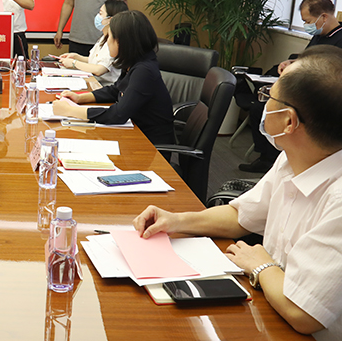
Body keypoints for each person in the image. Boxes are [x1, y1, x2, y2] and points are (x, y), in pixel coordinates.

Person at [133, 51, 342, 340]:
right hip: (270, 308)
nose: (264, 103)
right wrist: (175, 221)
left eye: (269, 96)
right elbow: (240, 216)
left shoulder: (337, 200)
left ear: (289, 122)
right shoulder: (293, 158)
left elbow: (303, 313)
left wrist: (261, 265)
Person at [240, 0, 342, 173]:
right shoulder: (319, 35)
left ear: (324, 17)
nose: (306, 26)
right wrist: (292, 63)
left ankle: (276, 158)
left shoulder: (339, 40)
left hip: (321, 99)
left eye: (308, 21)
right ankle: (267, 158)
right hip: (303, 89)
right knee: (259, 107)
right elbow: (308, 59)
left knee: (267, 110)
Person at [52, 10, 174, 145]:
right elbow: (115, 90)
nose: (107, 42)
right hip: (133, 133)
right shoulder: (133, 62)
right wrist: (80, 98)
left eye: (110, 37)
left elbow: (119, 114)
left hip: (150, 144)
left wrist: (71, 111)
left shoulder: (144, 71)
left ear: (124, 42)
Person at [57, 0, 127, 85]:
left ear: (110, 19)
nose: (97, 16)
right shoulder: (103, 37)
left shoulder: (113, 42)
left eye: (101, 14)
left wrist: (74, 63)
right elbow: (95, 60)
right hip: (94, 82)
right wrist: (76, 57)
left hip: (105, 87)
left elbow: (99, 69)